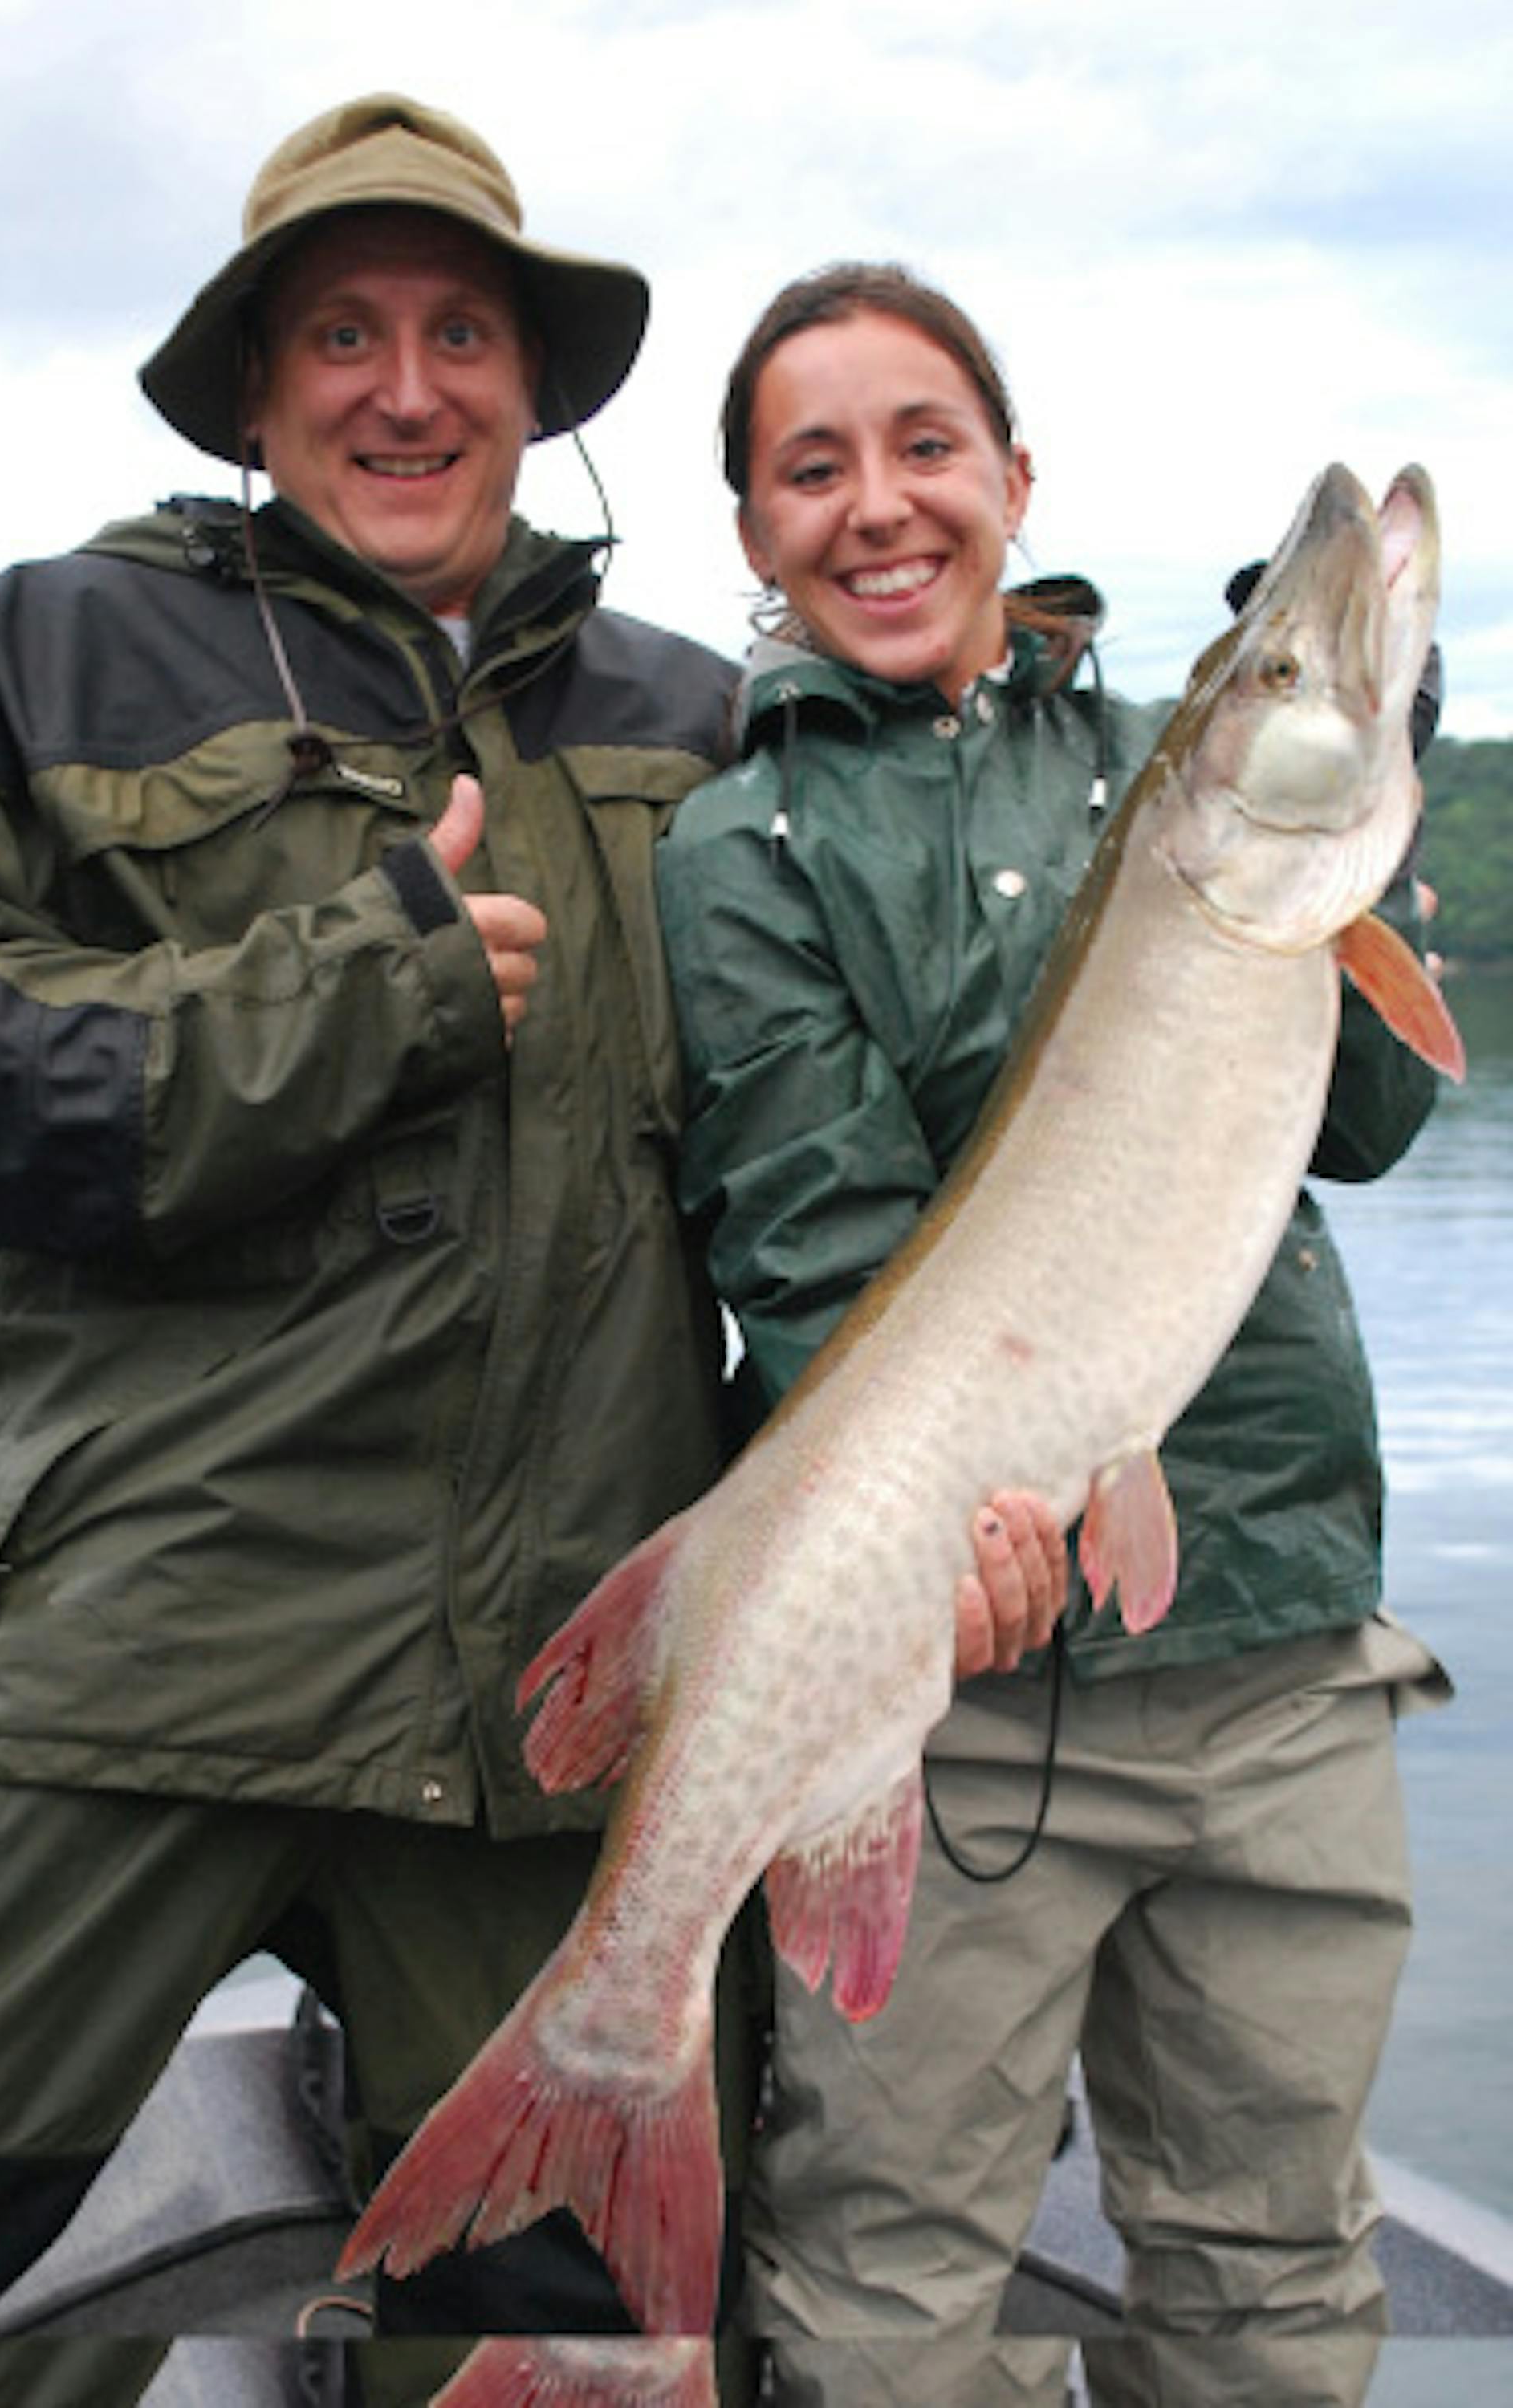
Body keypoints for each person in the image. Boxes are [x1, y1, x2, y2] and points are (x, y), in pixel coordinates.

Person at [0, 92, 761, 2361]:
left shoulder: (699, 724)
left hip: (539, 1728)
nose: (403, 388)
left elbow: (822, 1168)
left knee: (580, 2348)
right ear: (253, 388)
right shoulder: (60, 648)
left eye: (457, 335)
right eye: (340, 332)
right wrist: (367, 990)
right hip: (121, 1670)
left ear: (538, 391)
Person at [655, 264, 1451, 2408]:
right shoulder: (747, 846)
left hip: (1276, 1624)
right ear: (753, 533)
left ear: (1016, 479)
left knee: (1276, 2279)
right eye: (811, 469)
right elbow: (818, 1245)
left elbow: (1366, 1123)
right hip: (971, 1693)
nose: (880, 505)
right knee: (901, 2290)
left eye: (928, 446)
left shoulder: (1165, 770)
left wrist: (1369, 803)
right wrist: (947, 1531)